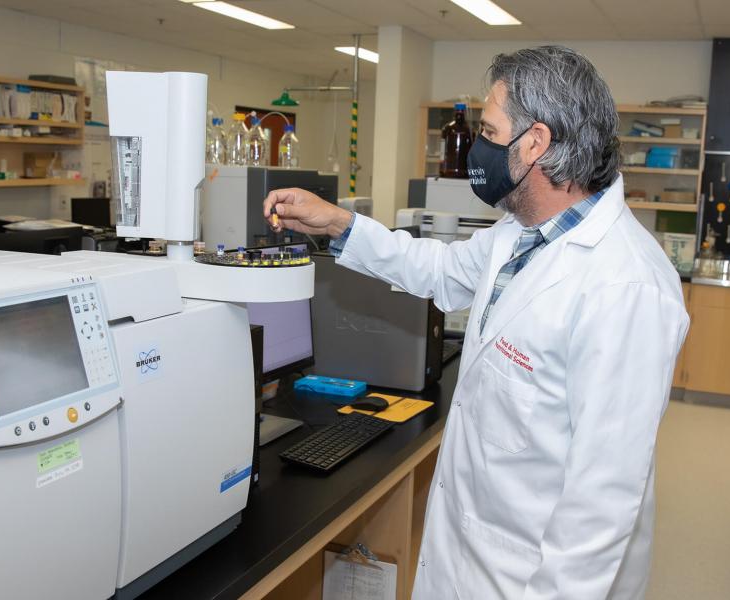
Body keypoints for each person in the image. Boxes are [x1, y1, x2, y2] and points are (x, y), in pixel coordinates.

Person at [264, 46, 688, 599]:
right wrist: (340, 223)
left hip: (532, 578)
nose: (475, 148)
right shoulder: (521, 232)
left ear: (535, 143)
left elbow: (601, 506)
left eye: (488, 131)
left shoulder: (624, 286)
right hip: (471, 552)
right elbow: (439, 269)